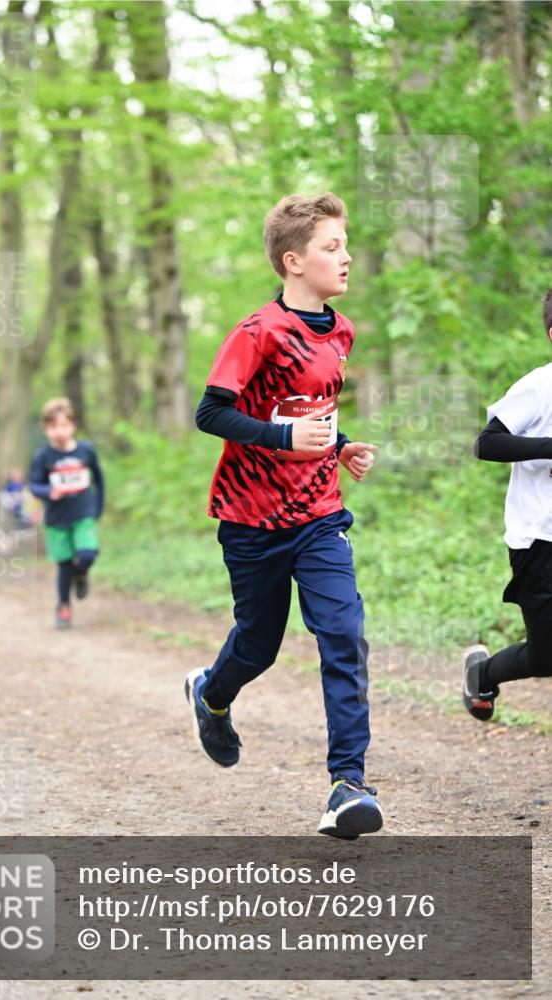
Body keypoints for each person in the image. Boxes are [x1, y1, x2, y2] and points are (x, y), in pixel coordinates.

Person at [186, 193, 382, 839]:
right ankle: (212, 694)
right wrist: (282, 440)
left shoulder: (341, 332)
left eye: (344, 244)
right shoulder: (257, 332)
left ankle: (346, 784)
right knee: (259, 644)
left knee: (342, 634)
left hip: (319, 512)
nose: (345, 256)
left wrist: (338, 441)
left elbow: (309, 408)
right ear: (293, 261)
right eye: (331, 247)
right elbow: (211, 413)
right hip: (250, 518)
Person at [462, 289, 552, 717]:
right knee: (547, 657)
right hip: (539, 539)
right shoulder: (539, 386)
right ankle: (483, 674)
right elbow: (487, 443)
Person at [29, 397, 104, 629]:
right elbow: (33, 486)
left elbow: (99, 480)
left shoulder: (86, 450)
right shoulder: (43, 457)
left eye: (63, 425)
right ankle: (63, 606)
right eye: (52, 427)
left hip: (83, 514)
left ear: (73, 425)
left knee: (87, 555)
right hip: (56, 519)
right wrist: (48, 490)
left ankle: (81, 574)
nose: (58, 431)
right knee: (63, 565)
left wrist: (97, 507)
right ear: (46, 429)